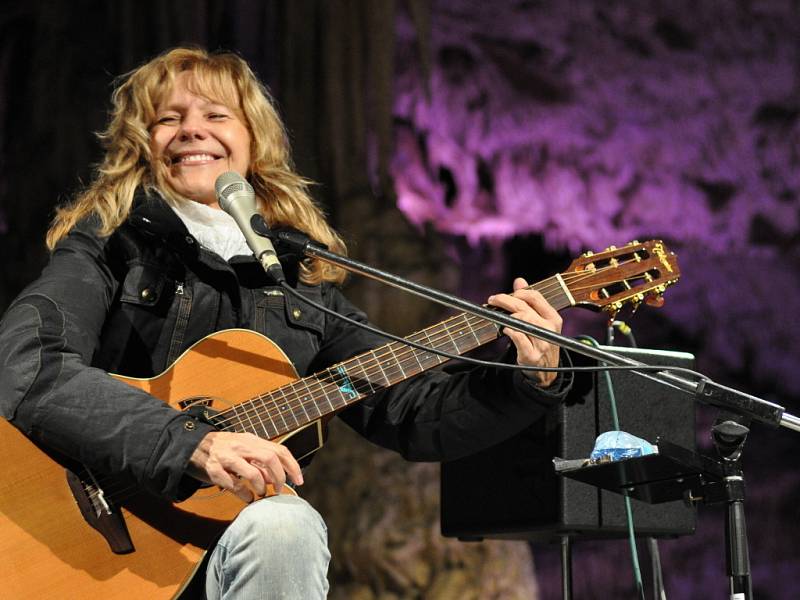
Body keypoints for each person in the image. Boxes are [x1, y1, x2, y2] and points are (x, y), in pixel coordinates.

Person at [0, 47, 571, 599]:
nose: (192, 130)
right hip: (96, 532)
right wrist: (188, 444)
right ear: (142, 147)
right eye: (167, 119)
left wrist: (529, 378)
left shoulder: (295, 283)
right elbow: (30, 366)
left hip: (233, 545)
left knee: (283, 524)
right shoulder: (108, 246)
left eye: (216, 115)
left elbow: (414, 412)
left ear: (254, 143)